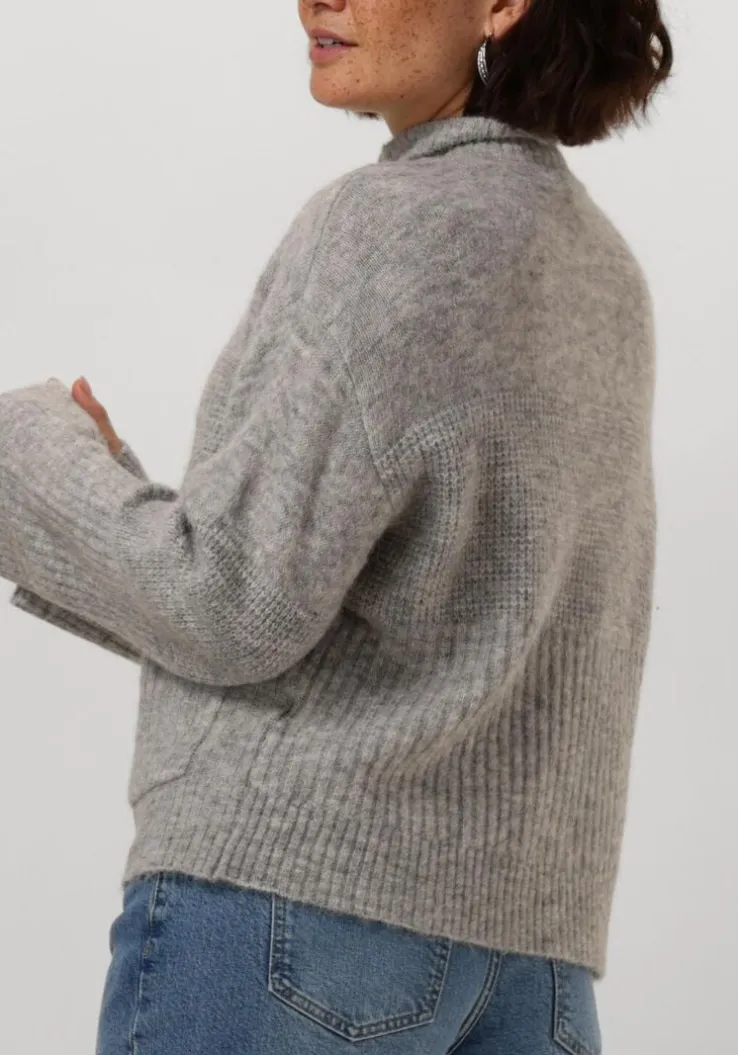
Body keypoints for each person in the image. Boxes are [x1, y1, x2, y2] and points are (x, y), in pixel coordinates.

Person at [0, 0, 673, 1051]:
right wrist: (114, 496)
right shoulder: (603, 269)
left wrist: (27, 460)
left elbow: (228, 602)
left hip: (291, 921)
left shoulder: (386, 224)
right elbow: (413, 610)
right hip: (531, 962)